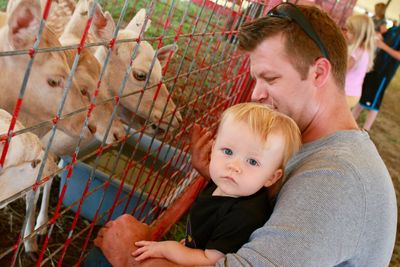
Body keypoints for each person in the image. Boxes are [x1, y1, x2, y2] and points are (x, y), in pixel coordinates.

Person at [88, 3, 397, 267]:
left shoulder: (337, 180)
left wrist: (130, 256)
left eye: (270, 78)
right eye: (255, 79)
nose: (256, 94)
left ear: (318, 73)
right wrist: (214, 176)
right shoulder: (304, 144)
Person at [131, 103, 302, 266]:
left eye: (252, 161)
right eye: (228, 151)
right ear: (213, 149)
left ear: (271, 178)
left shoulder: (243, 215)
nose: (234, 166)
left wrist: (169, 249)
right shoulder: (223, 184)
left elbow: (210, 260)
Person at [352, 25, 400, 131]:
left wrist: (384, 46)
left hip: (384, 72)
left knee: (374, 101)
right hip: (374, 65)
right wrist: (380, 35)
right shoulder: (395, 28)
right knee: (363, 94)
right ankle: (351, 120)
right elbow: (382, 40)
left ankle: (366, 129)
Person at [343, 14, 375, 108]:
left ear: (357, 34)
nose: (346, 33)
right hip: (354, 93)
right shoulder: (366, 51)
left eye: (349, 31)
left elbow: (341, 72)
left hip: (345, 93)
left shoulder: (355, 53)